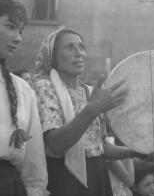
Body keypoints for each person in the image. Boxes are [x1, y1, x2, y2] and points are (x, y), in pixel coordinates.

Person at [33, 27, 140, 196]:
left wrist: (134, 151)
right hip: (65, 180)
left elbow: (99, 148)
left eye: (81, 47)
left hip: (98, 175)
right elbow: (57, 144)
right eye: (70, 47)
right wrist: (93, 109)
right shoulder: (45, 87)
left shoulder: (91, 92)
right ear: (52, 56)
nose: (79, 53)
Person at [0, 0, 48, 196]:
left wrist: (35, 191)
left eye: (20, 31)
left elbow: (33, 157)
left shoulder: (22, 89)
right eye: (10, 26)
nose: (18, 38)